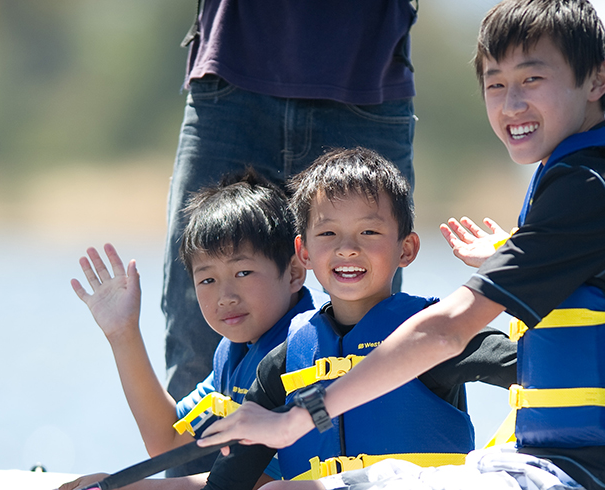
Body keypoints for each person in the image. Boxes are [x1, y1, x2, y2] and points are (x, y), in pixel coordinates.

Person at [198, 2, 605, 490]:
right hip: (558, 464)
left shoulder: (592, 187)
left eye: (532, 79)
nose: (512, 104)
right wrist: (510, 253)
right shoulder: (589, 180)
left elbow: (445, 332)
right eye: (496, 84)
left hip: (583, 476)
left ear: (597, 78)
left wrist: (298, 420)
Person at [161, 6, 420, 477]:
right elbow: (166, 438)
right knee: (198, 339)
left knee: (372, 336)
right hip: (230, 69)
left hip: (366, 72)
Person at [199, 148, 517, 490]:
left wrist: (516, 270)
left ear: (406, 249)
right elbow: (227, 483)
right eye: (327, 234)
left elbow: (537, 366)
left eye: (369, 233)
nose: (347, 248)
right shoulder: (282, 365)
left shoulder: (435, 336)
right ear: (304, 252)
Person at [63, 171, 318, 490]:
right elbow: (168, 439)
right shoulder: (234, 355)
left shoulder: (312, 347)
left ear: (294, 272)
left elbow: (257, 482)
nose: (226, 297)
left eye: (243, 272)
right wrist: (123, 333)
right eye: (207, 280)